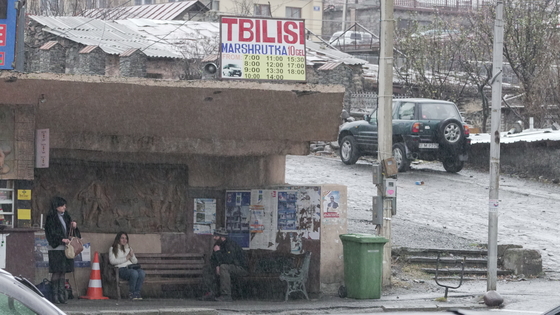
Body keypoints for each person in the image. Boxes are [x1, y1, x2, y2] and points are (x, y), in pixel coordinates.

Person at [45, 196, 80, 304]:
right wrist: (60, 239)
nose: (64, 207)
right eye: (62, 205)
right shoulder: (51, 217)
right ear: (56, 206)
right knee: (56, 271)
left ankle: (61, 294)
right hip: (56, 248)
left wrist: (74, 226)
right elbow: (50, 233)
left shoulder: (66, 216)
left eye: (64, 205)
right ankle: (54, 295)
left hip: (65, 248)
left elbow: (72, 232)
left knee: (63, 271)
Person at [200, 227, 248, 302]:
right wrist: (216, 265)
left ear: (222, 237)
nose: (214, 238)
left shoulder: (230, 245)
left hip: (240, 268)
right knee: (208, 268)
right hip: (226, 266)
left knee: (223, 267)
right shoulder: (217, 245)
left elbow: (228, 260)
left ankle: (226, 295)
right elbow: (213, 260)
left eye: (216, 236)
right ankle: (210, 292)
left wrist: (218, 253)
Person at [109, 231, 145, 300]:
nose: (124, 240)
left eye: (126, 238)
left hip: (131, 267)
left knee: (141, 273)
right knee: (134, 273)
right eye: (122, 238)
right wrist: (126, 258)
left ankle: (137, 292)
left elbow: (135, 261)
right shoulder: (113, 249)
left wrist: (131, 256)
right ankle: (131, 293)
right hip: (121, 269)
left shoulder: (128, 248)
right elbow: (112, 261)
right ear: (118, 239)